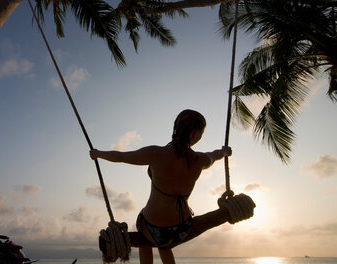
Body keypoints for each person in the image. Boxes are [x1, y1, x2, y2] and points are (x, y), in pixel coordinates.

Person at [90, 109, 236, 264]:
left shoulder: (156, 154)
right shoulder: (200, 160)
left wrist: (98, 154)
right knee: (165, 245)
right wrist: (224, 151)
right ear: (194, 134)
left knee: (145, 235)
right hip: (181, 229)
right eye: (201, 134)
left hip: (151, 228)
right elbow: (214, 155)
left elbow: (120, 157)